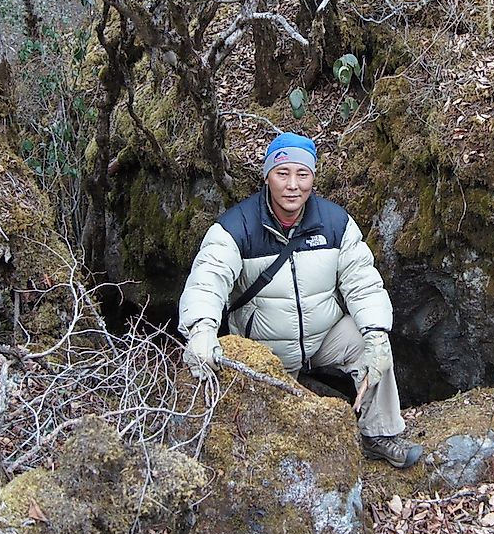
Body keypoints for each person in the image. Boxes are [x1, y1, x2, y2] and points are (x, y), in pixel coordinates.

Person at [178, 131, 423, 469]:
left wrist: (377, 335)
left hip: (323, 336)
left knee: (368, 341)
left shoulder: (336, 224)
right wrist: (201, 329)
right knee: (269, 440)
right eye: (283, 173)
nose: (292, 185)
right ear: (267, 176)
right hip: (266, 349)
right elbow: (208, 279)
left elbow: (363, 282)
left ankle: (378, 434)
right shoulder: (237, 228)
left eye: (302, 174)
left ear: (313, 178)